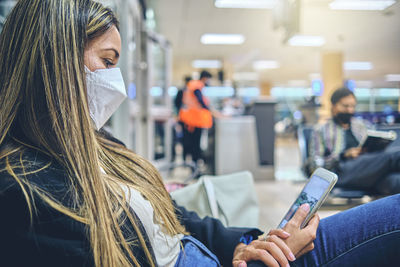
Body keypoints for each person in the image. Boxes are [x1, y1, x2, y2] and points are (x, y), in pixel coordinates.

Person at [0, 1, 399, 267]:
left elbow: (171, 214)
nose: (115, 83)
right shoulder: (26, 195)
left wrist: (245, 243)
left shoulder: (100, 147)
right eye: (106, 62)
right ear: (54, 59)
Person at [308, 88, 400, 194]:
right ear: (333, 106)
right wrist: (343, 155)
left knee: (395, 181)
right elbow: (314, 165)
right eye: (345, 106)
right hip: (341, 172)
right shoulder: (321, 130)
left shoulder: (362, 125)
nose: (350, 110)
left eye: (352, 106)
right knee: (394, 157)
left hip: (369, 170)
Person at [179, 70, 213, 166]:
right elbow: (200, 101)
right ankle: (195, 165)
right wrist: (210, 110)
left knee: (192, 143)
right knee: (195, 144)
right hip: (193, 120)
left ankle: (193, 164)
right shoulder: (196, 85)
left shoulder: (193, 85)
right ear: (205, 78)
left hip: (192, 119)